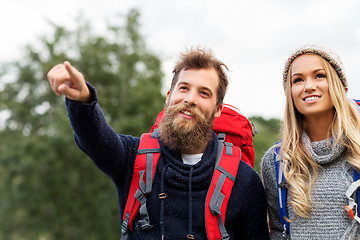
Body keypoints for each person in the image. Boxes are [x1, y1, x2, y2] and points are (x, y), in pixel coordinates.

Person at [47, 48, 269, 239]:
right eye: (184, 88)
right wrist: (82, 98)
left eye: (203, 93)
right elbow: (95, 138)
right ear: (169, 96)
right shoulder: (134, 157)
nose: (190, 98)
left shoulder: (243, 179)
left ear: (218, 108)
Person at [261, 44, 360, 239]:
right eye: (298, 80)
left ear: (338, 84)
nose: (308, 86)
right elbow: (278, 232)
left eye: (319, 76)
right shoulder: (276, 161)